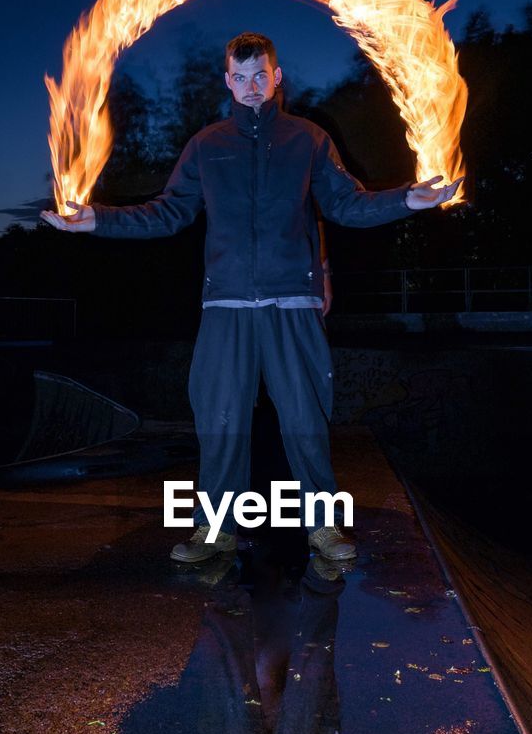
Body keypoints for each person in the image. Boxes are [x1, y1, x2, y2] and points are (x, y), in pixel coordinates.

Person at [42, 32, 462, 563]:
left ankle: (323, 529)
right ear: (227, 82)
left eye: (260, 75)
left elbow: (345, 205)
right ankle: (214, 531)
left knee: (306, 420)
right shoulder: (207, 144)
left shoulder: (308, 139)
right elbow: (167, 212)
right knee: (220, 421)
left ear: (277, 76)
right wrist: (95, 221)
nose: (251, 86)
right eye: (240, 78)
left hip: (293, 305)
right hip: (227, 307)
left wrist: (408, 199)